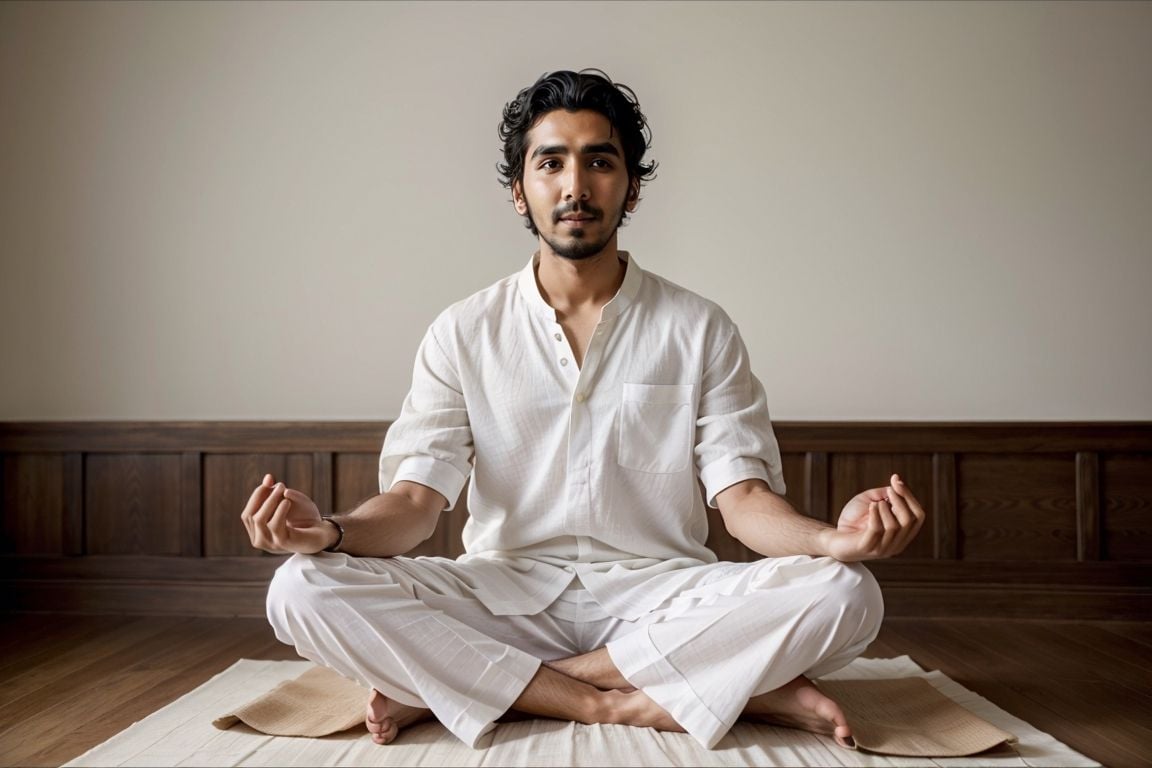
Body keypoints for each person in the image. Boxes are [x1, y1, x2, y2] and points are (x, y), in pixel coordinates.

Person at [241, 68, 926, 751]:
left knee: (847, 593)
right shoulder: (463, 330)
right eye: (551, 163)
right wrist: (327, 532)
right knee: (300, 588)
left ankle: (476, 688)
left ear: (629, 188)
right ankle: (667, 696)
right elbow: (416, 503)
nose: (576, 185)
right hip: (500, 597)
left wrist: (831, 542)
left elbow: (742, 497)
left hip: (662, 599)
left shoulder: (698, 326)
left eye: (600, 161)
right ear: (519, 191)